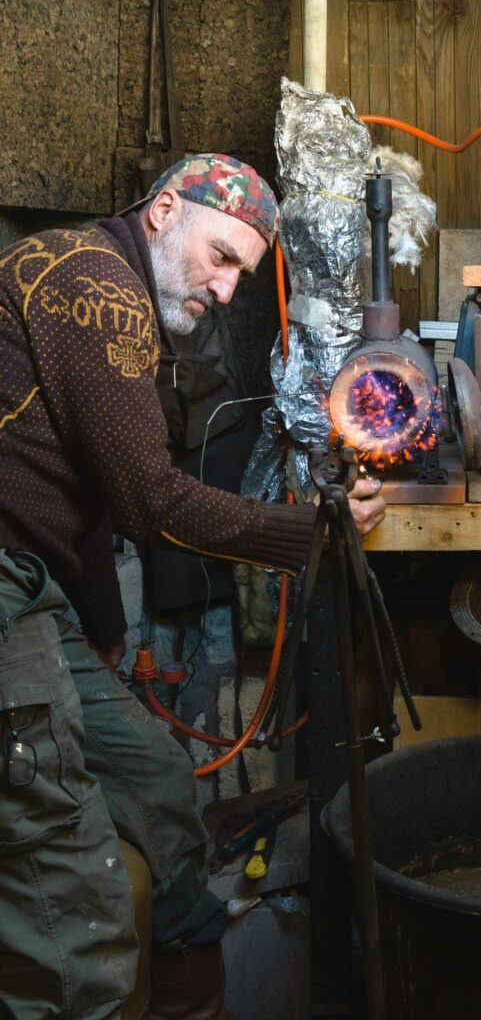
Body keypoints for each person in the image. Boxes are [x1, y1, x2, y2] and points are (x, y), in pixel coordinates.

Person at [0, 153, 386, 1019]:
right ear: (165, 209)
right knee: (77, 911)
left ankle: (186, 975)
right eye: (221, 257)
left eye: (243, 277)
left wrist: (99, 626)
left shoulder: (98, 280)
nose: (225, 290)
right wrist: (314, 530)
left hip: (27, 580)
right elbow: (150, 503)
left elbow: (88, 497)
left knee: (155, 777)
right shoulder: (96, 287)